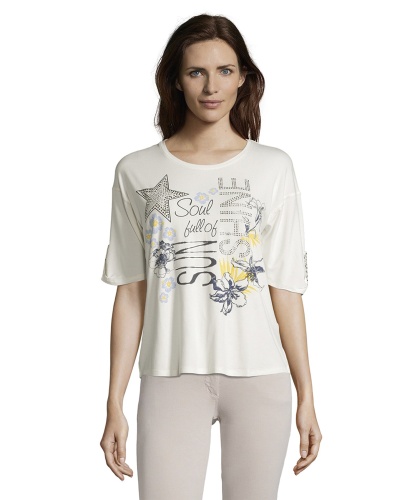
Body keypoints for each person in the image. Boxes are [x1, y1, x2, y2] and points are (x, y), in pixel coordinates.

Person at [99, 13, 322, 500]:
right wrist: (114, 400)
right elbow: (131, 292)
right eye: (196, 72)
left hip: (260, 378)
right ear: (176, 81)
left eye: (224, 70)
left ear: (243, 78)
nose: (211, 86)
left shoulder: (273, 168)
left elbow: (285, 290)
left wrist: (307, 394)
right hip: (170, 376)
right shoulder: (136, 171)